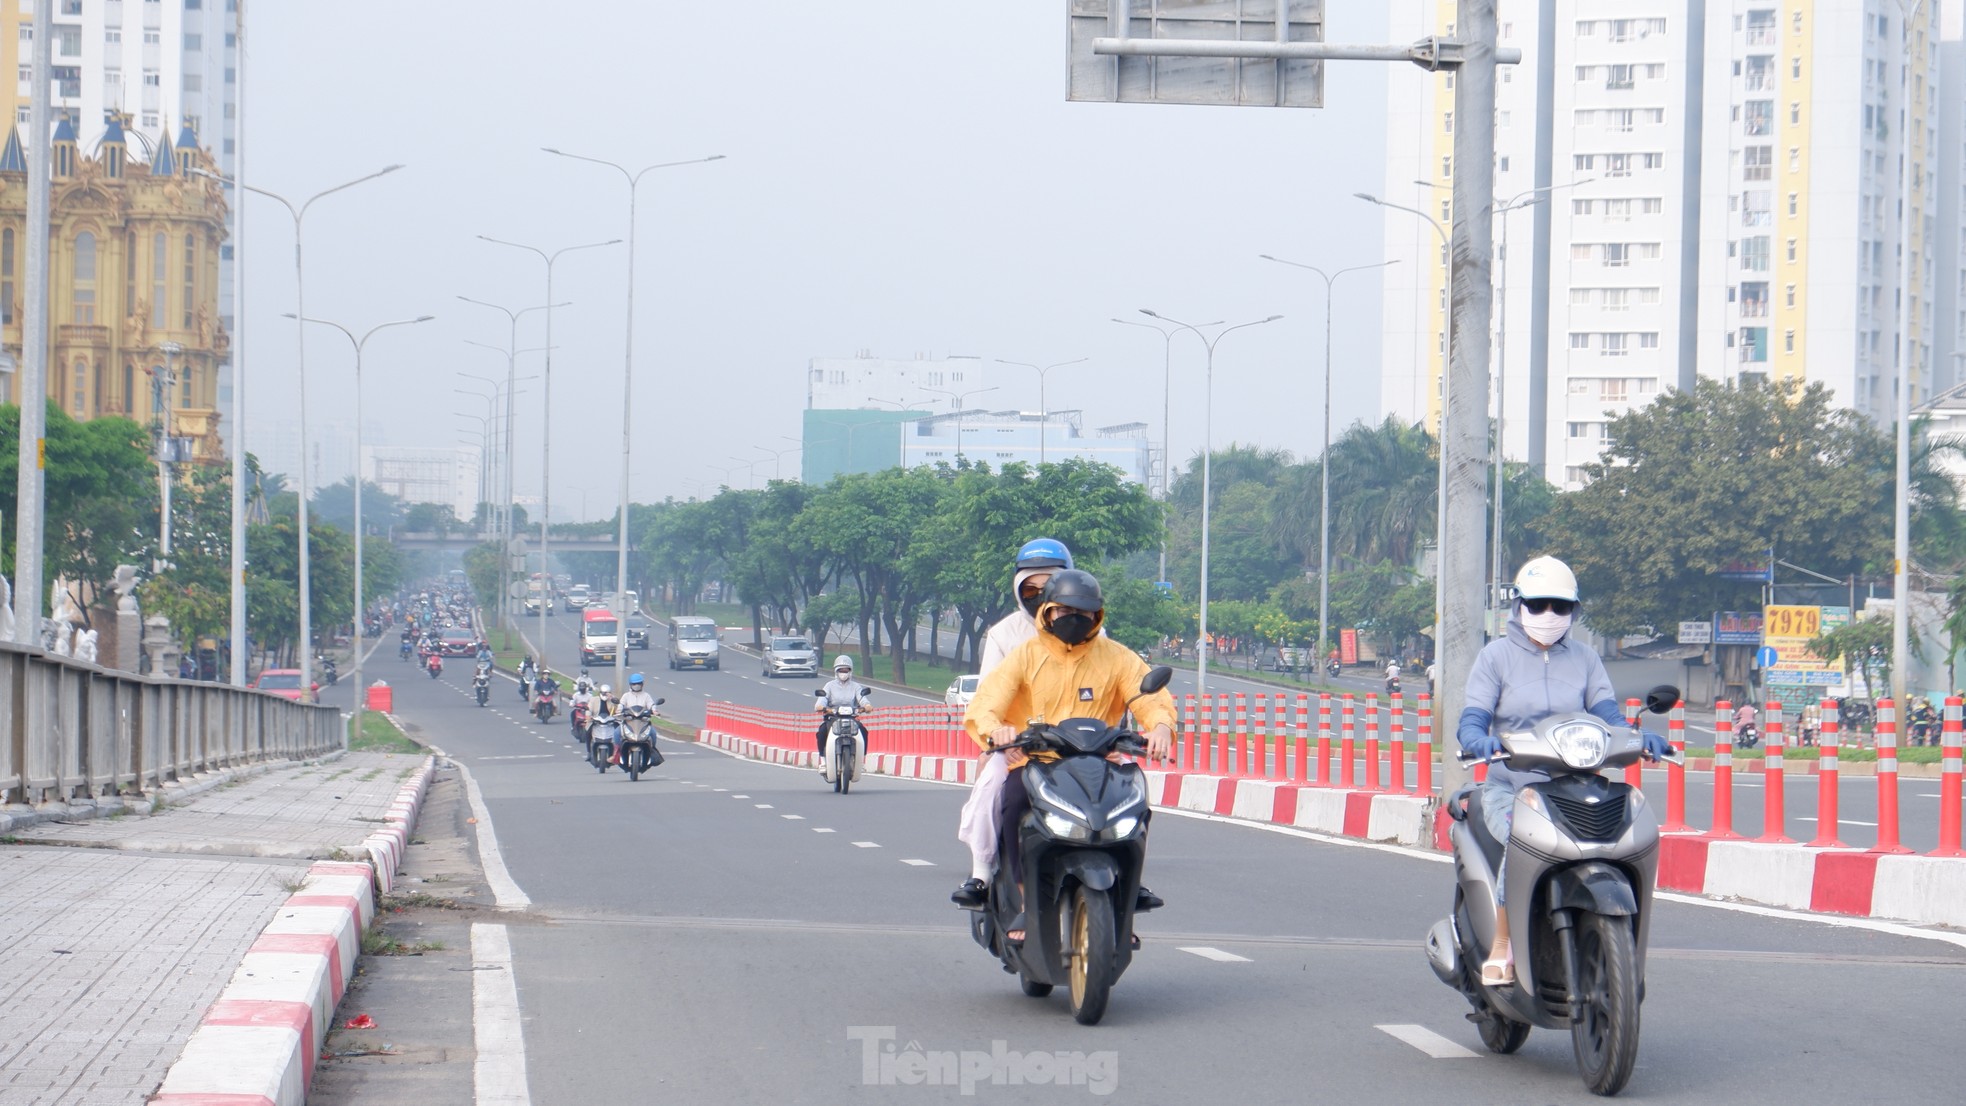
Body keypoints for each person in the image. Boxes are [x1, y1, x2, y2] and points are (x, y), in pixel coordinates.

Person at [1456, 555, 1668, 987]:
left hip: (1575, 785)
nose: (1549, 615)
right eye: (1538, 606)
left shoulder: (1587, 660)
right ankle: (1502, 945)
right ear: (1518, 606)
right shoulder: (1495, 658)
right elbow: (1472, 718)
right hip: (1512, 787)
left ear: (1574, 610)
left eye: (1561, 606)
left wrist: (1640, 737)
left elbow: (1608, 713)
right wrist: (1479, 739)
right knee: (1521, 838)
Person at [962, 568, 1176, 943]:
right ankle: (1023, 900)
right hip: (1034, 759)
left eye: (1085, 612)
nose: (1074, 619)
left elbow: (1147, 695)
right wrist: (997, 728)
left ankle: (1129, 890)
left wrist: (1160, 726)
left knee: (1135, 800)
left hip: (1099, 759)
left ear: (1098, 615)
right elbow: (987, 701)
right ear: (1047, 612)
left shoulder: (1116, 657)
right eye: (1064, 611)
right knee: (1011, 799)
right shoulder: (1024, 656)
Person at [953, 537, 1075, 908]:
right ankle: (982, 873)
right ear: (1018, 589)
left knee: (1130, 788)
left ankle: (1128, 879)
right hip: (1020, 745)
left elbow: (1123, 684)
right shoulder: (1006, 636)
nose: (1040, 595)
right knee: (995, 791)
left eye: (1050, 586)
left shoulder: (1091, 632)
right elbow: (989, 693)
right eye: (1031, 588)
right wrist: (996, 730)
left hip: (1079, 745)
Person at [813, 655, 872, 770]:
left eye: (846, 670)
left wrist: (867, 706)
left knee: (863, 731)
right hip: (833, 718)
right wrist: (822, 707)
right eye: (841, 670)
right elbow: (821, 701)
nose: (843, 673)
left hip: (851, 718)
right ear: (836, 671)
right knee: (822, 732)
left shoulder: (856, 686)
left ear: (850, 671)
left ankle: (861, 761)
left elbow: (862, 699)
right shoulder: (829, 686)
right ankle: (823, 761)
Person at [611, 673, 659, 764]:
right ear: (630, 685)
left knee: (653, 733)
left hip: (643, 722)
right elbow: (621, 705)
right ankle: (616, 753)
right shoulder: (626, 696)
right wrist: (618, 710)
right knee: (617, 732)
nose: (636, 686)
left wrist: (654, 711)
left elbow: (651, 705)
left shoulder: (646, 696)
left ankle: (652, 752)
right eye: (634, 684)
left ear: (642, 684)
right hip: (629, 721)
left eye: (638, 683)